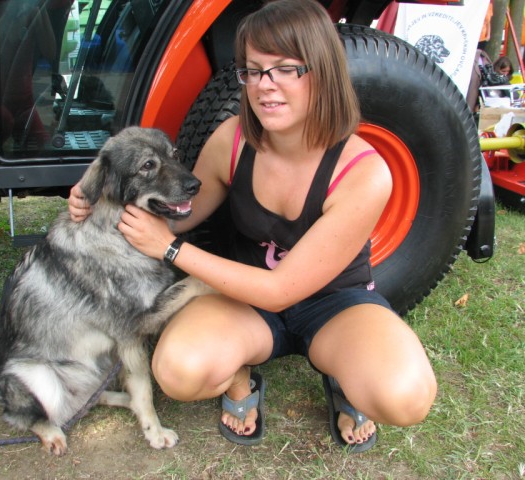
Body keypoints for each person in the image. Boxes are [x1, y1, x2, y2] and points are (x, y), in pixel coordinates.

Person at [68, 0, 437, 452]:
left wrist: (169, 250)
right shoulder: (233, 139)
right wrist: (100, 192)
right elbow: (182, 213)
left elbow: (280, 288)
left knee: (405, 397)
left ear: (321, 72)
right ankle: (240, 373)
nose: (265, 86)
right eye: (253, 70)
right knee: (179, 371)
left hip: (336, 303)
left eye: (284, 69)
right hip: (244, 300)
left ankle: (345, 374)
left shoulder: (365, 171)